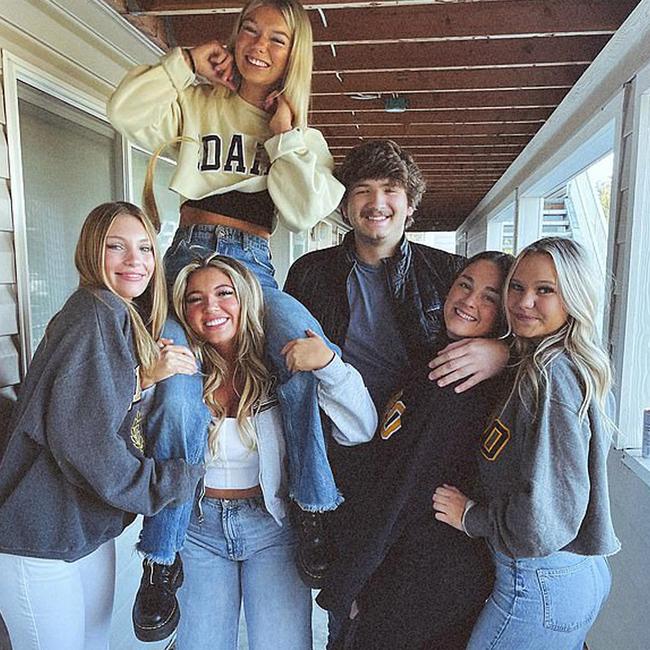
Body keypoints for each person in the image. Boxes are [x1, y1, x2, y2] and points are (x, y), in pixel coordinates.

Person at [107, 0, 346, 636]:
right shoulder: (198, 97)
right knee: (180, 390)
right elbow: (123, 114)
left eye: (278, 38)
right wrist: (182, 64)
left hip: (255, 269)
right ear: (234, 35)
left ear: (294, 54)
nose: (259, 45)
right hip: (187, 258)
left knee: (303, 351)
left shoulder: (298, 133)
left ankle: (314, 510)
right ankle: (161, 560)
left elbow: (302, 211)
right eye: (250, 29)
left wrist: (288, 136)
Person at [0, 202, 205, 650]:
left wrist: (144, 377)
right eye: (117, 247)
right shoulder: (91, 314)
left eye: (145, 248)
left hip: (84, 530)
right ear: (93, 252)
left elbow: (100, 407)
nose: (136, 261)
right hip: (40, 538)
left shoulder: (120, 314)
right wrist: (168, 481)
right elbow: (83, 441)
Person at [164, 254, 376, 650]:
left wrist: (329, 365)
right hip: (198, 530)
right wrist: (144, 380)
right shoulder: (181, 373)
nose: (211, 307)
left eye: (224, 293)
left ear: (245, 298)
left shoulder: (279, 366)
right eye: (195, 299)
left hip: (273, 527)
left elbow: (360, 428)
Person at [319, 251, 514, 649]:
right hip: (401, 567)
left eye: (490, 297)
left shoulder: (459, 387)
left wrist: (352, 581)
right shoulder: (435, 358)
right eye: (465, 284)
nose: (469, 300)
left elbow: (403, 490)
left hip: (419, 581)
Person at [433, 237, 620, 649]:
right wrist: (501, 351)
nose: (524, 302)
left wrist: (471, 517)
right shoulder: (552, 362)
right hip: (577, 570)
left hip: (538, 580)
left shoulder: (552, 378)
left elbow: (542, 521)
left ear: (573, 296)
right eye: (516, 287)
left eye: (545, 290)